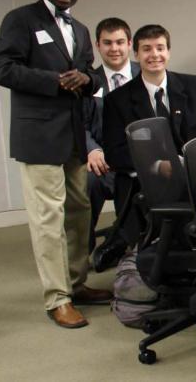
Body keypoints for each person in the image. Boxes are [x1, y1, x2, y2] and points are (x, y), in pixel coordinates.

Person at [0, 0, 112, 328]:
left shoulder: (79, 29)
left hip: (74, 137)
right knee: (48, 219)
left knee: (79, 214)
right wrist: (55, 81)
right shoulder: (21, 19)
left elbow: (92, 76)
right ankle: (57, 298)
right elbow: (1, 67)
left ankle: (76, 284)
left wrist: (87, 77)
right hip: (39, 137)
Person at [104, 24, 196, 246]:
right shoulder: (117, 100)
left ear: (168, 52)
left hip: (191, 172)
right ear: (137, 54)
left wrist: (186, 164)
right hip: (146, 175)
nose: (154, 55)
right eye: (147, 49)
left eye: (160, 48)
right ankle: (136, 250)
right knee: (126, 185)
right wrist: (158, 165)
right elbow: (115, 152)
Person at [85, 17, 140, 247]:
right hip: (104, 161)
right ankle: (80, 253)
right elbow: (79, 123)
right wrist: (93, 150)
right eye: (107, 43)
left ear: (129, 44)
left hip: (140, 158)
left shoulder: (146, 74)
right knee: (86, 184)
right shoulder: (88, 81)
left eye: (119, 42)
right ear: (98, 45)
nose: (114, 48)